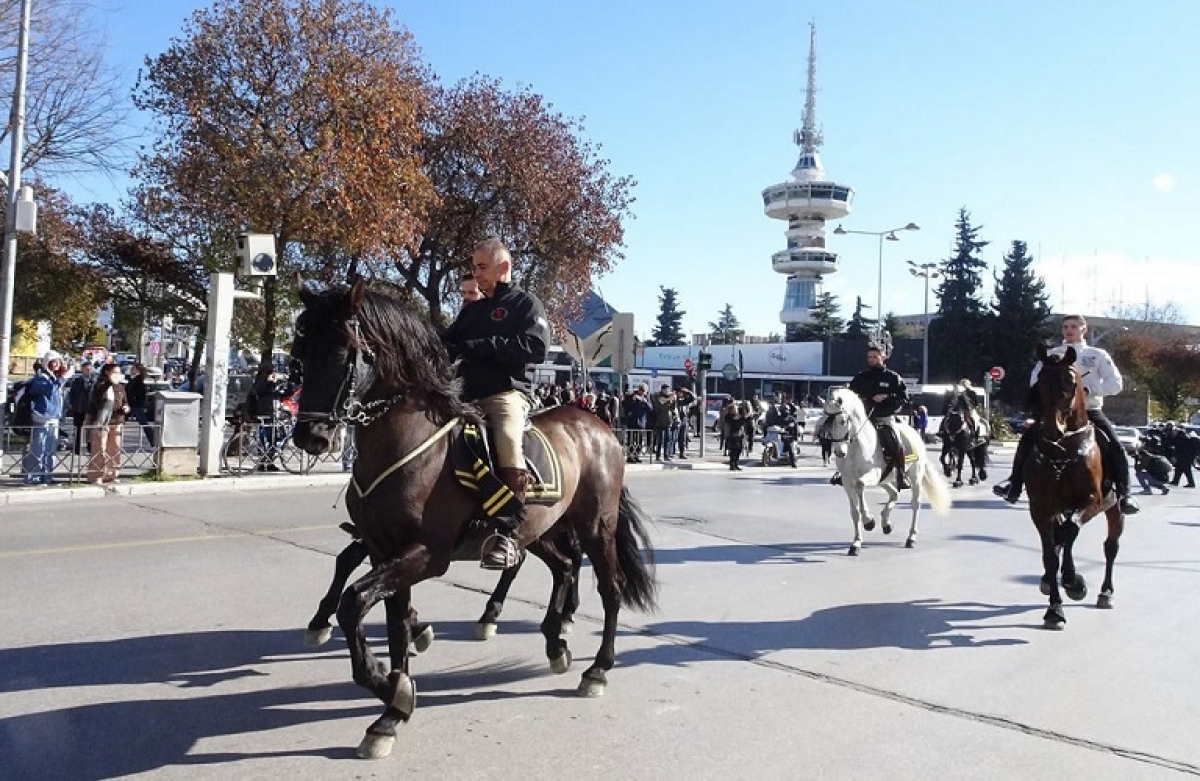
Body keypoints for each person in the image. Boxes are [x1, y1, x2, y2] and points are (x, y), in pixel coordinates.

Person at [442, 237, 550, 569]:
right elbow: (447, 343)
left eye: (482, 267)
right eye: (474, 267)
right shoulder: (472, 311)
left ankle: (507, 532)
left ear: (504, 267)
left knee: (506, 438)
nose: (476, 273)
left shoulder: (525, 305)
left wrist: (485, 346)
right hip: (464, 394)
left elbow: (536, 347)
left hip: (505, 394)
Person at [993, 315, 1139, 514]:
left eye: (1073, 326)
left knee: (1115, 445)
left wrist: (1089, 390)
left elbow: (1115, 384)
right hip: (1056, 413)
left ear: (1083, 329)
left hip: (1088, 411)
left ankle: (1124, 494)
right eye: (1065, 327)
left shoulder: (1096, 354)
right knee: (1027, 441)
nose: (1068, 330)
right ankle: (1014, 484)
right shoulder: (1052, 354)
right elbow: (1034, 380)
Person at [848, 344, 911, 489]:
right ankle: (843, 472)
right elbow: (851, 395)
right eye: (869, 357)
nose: (871, 360)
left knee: (895, 441)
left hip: (884, 417)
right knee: (845, 439)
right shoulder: (860, 377)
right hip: (863, 419)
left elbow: (904, 398)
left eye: (875, 357)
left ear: (883, 358)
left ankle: (901, 475)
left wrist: (887, 397)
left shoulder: (893, 377)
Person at [21, 351, 71, 485]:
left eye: (58, 362)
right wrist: (63, 378)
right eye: (53, 362)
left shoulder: (55, 378)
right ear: (47, 363)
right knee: (38, 448)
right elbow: (49, 390)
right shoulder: (41, 378)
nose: (56, 365)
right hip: (42, 416)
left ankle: (47, 475)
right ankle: (33, 476)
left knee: (50, 449)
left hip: (54, 416)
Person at [85, 363, 129, 485]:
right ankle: (96, 475)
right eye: (115, 372)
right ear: (107, 373)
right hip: (102, 422)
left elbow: (125, 401)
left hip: (117, 420)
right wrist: (109, 382)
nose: (118, 375)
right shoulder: (100, 385)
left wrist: (126, 407)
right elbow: (97, 398)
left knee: (114, 449)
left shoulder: (120, 387)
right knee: (100, 449)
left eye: (119, 373)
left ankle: (111, 474)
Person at [67, 361, 98, 455]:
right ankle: (77, 449)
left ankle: (90, 448)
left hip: (91, 409)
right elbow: (72, 394)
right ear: (82, 370)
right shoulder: (77, 381)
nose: (88, 371)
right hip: (79, 409)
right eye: (86, 369)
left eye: (90, 369)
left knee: (90, 430)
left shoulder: (95, 381)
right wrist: (72, 404)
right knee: (78, 429)